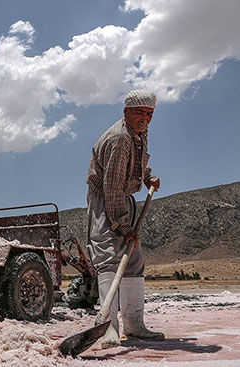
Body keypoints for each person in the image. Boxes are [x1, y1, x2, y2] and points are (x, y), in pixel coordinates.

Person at [86, 90, 165, 348]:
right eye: (140, 112)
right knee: (110, 258)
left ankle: (135, 325)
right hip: (106, 200)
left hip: (123, 198)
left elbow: (135, 165)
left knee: (132, 260)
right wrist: (122, 225)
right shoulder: (120, 139)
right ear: (126, 112)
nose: (145, 118)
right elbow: (111, 186)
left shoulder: (139, 133)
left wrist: (147, 178)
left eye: (149, 113)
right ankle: (108, 328)